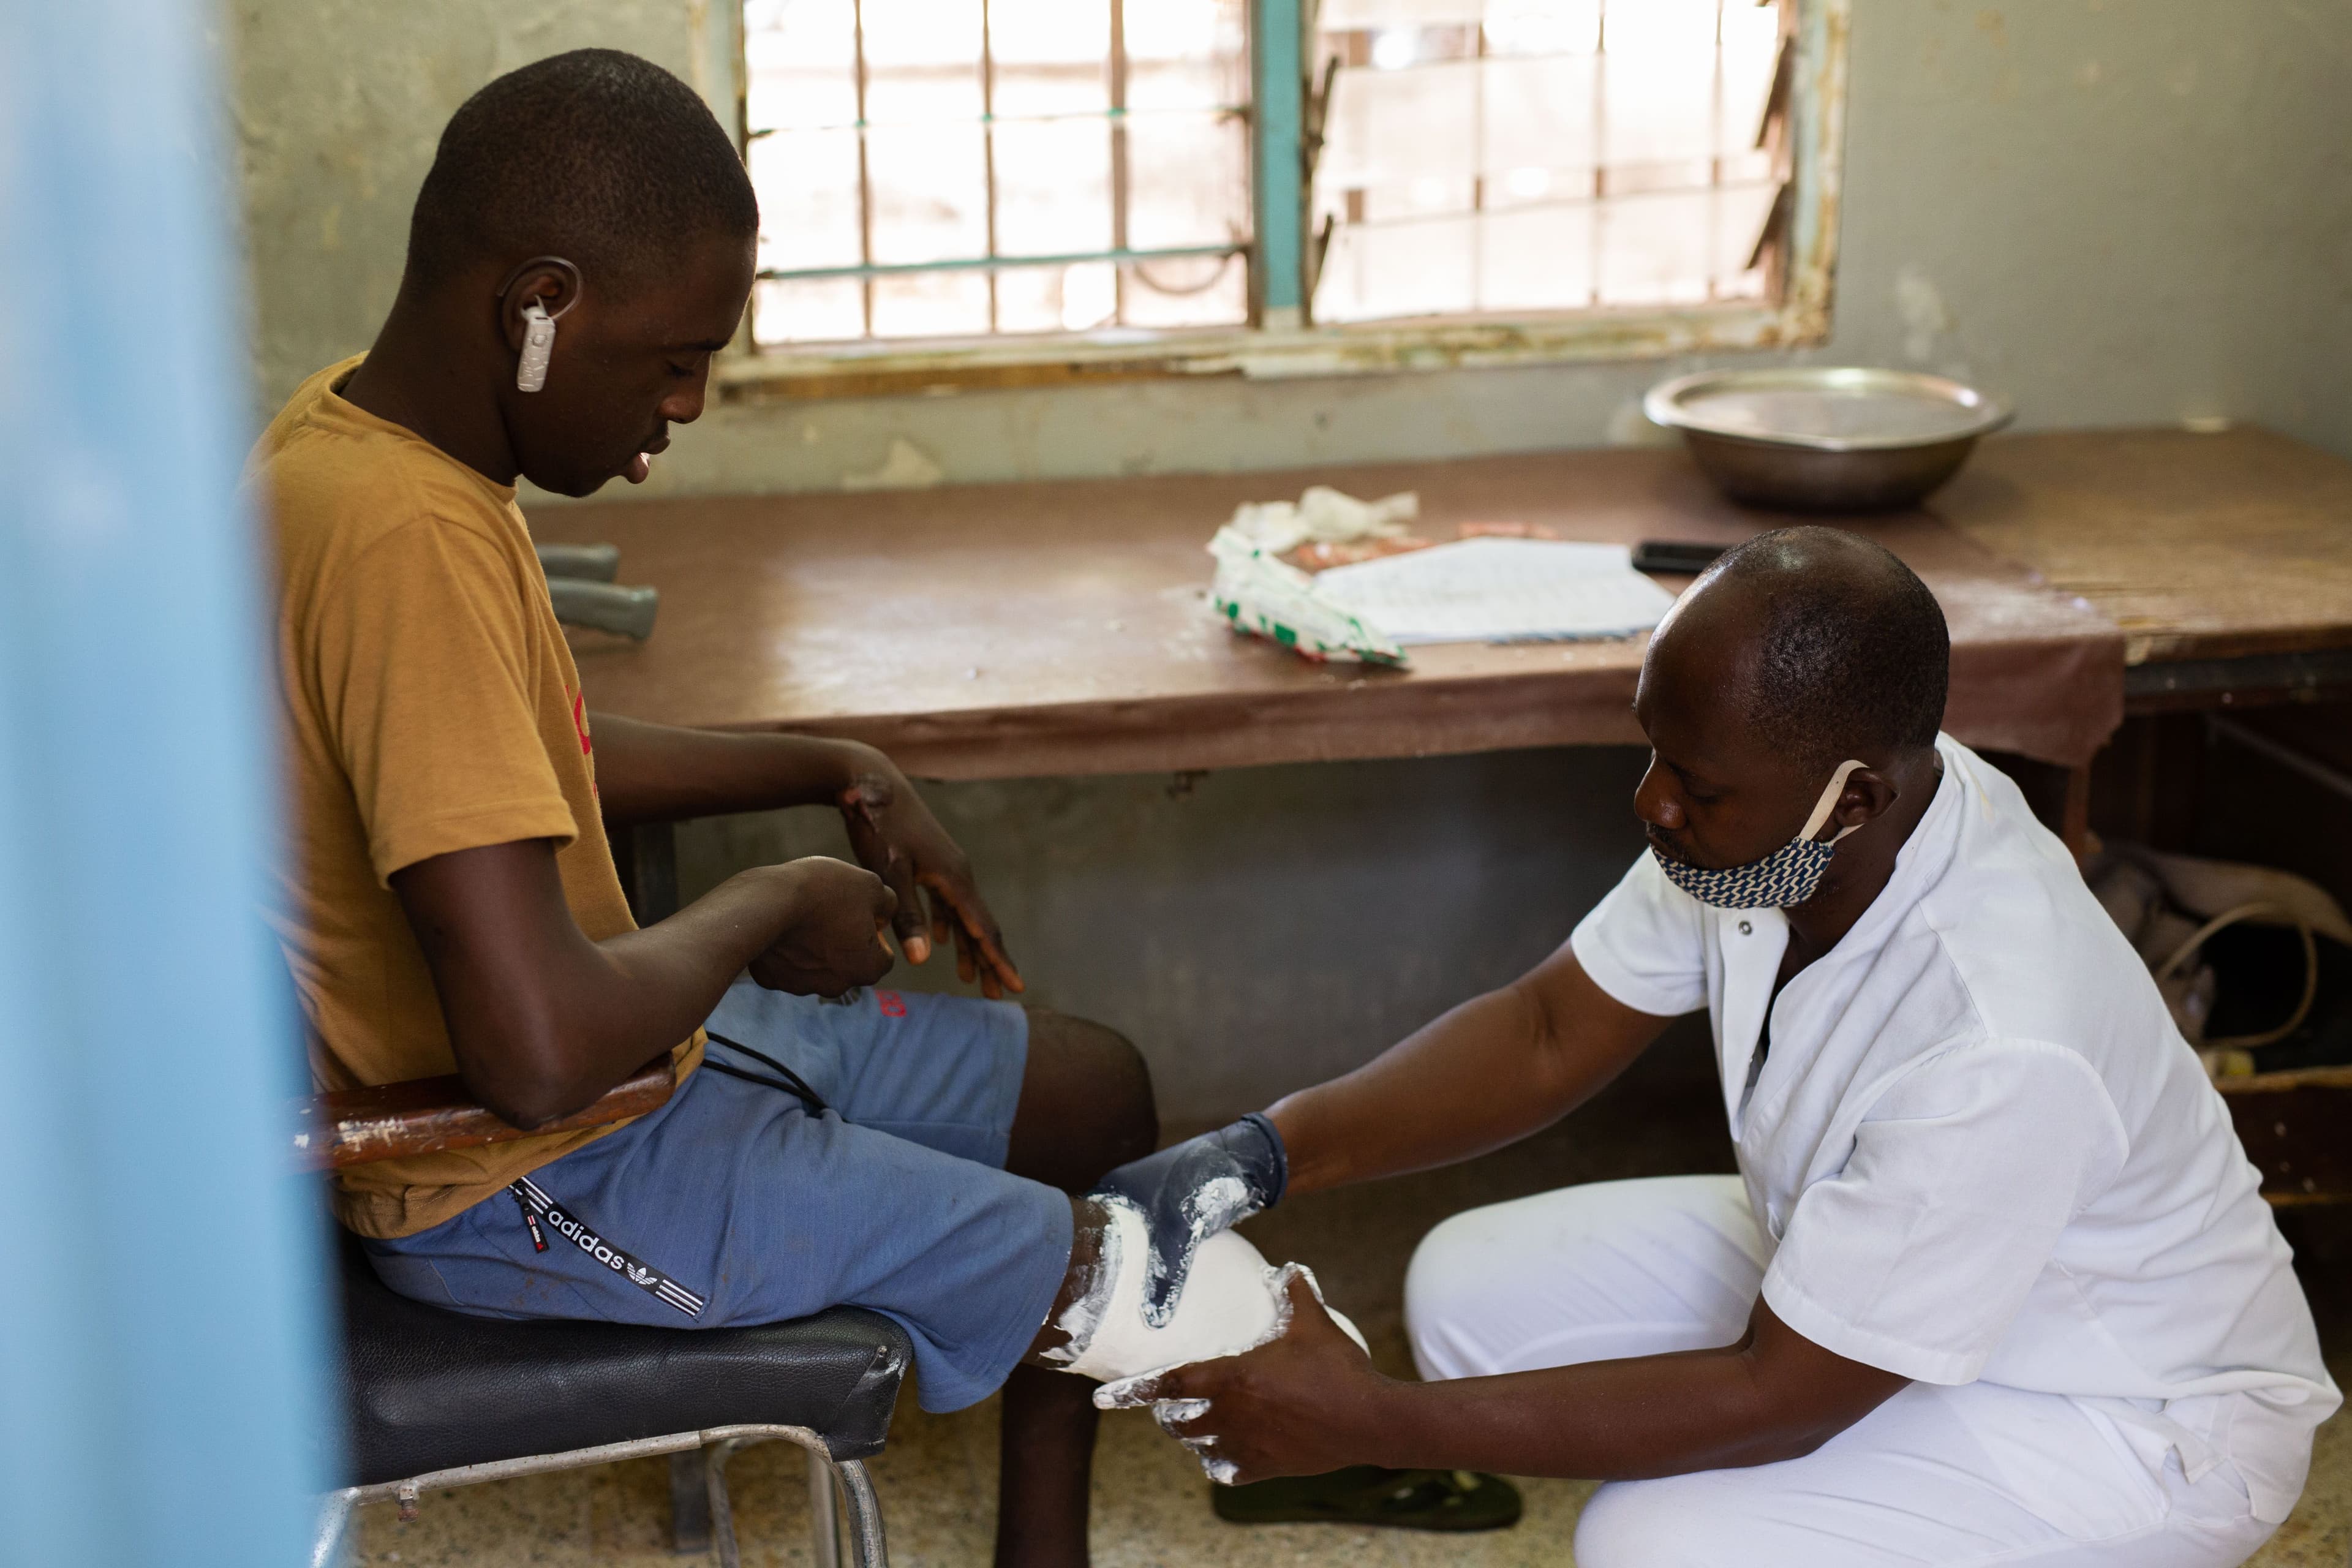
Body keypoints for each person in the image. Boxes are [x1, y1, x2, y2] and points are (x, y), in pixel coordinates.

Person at [250, 49, 1253, 1568]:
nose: (691, 401)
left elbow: (524, 764)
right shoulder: (403, 542)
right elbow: (530, 1054)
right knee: (1108, 1263)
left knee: (1090, 1090)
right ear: (537, 305)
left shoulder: (361, 447)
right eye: (669, 357)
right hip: (517, 1179)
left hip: (623, 1079)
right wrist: (772, 899)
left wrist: (838, 764)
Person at [1095, 527, 2342, 1566]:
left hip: (2124, 1414)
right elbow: (1546, 1028)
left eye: (1692, 780)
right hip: (1881, 1261)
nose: (1651, 802)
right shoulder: (1788, 820)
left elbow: (1775, 1395)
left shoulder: (2000, 1036)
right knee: (1464, 1291)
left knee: (1659, 1541)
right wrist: (1257, 1152)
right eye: (1652, 751)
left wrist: (1371, 1422)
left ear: (1851, 796)